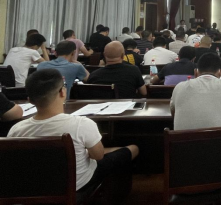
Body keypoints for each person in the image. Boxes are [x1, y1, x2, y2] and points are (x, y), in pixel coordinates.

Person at [8, 69, 139, 193]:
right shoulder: (82, 124)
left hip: (33, 190)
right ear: (62, 92)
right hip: (77, 186)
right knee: (133, 149)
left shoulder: (16, 130)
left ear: (30, 100)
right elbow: (98, 156)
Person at [171, 52, 221, 130]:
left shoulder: (179, 87)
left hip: (182, 138)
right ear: (220, 73)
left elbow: (174, 113)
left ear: (195, 72)